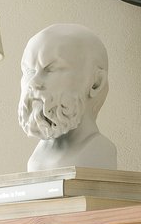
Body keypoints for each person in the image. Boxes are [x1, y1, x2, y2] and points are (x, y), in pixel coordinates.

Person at [17, 23, 118, 170]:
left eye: (51, 69)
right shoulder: (36, 158)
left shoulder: (98, 151)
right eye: (29, 71)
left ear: (96, 82)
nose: (33, 83)